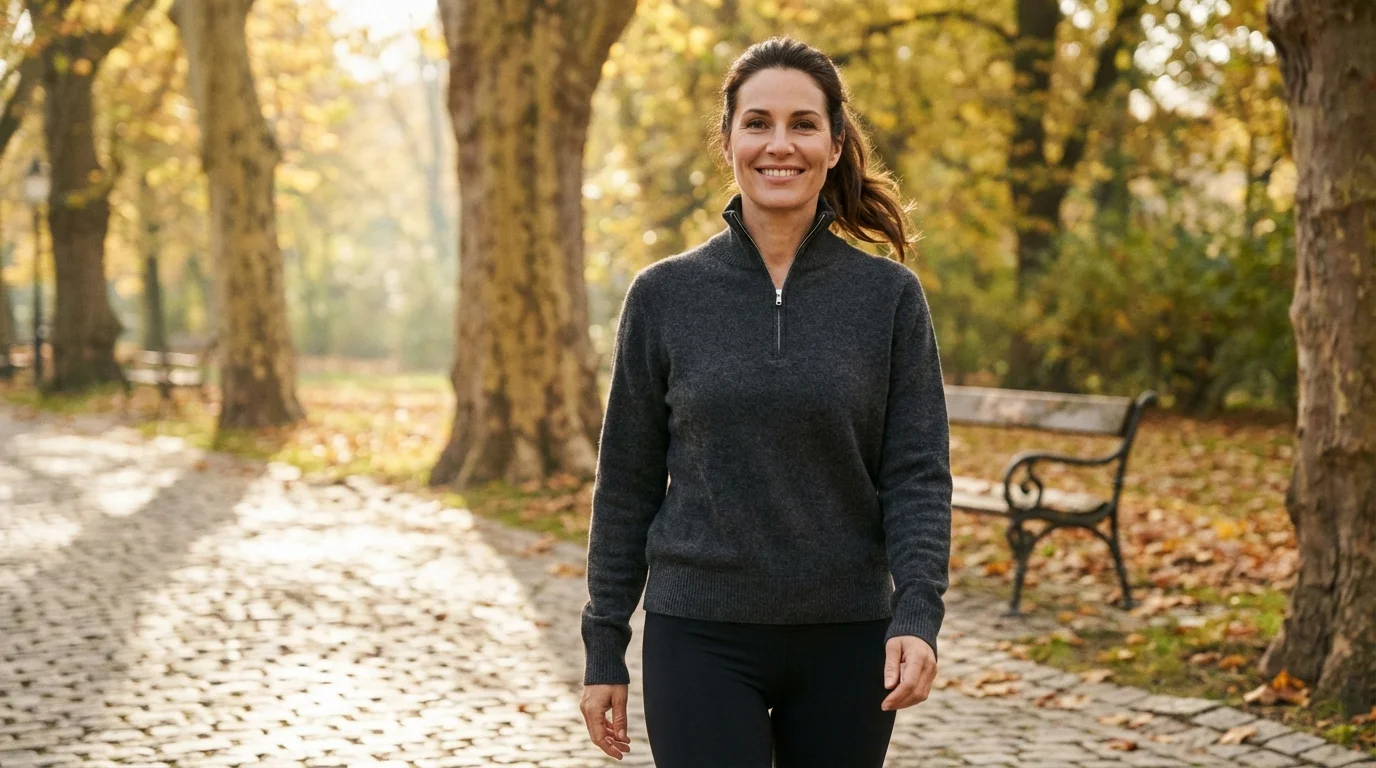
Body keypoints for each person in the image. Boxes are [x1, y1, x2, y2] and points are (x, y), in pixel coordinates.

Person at [579, 36, 952, 768]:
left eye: (803, 124)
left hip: (849, 636)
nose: (779, 144)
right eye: (757, 123)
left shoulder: (889, 299)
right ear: (727, 142)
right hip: (700, 632)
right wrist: (604, 647)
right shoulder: (664, 295)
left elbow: (916, 473)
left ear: (837, 145)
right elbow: (624, 482)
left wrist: (917, 614)